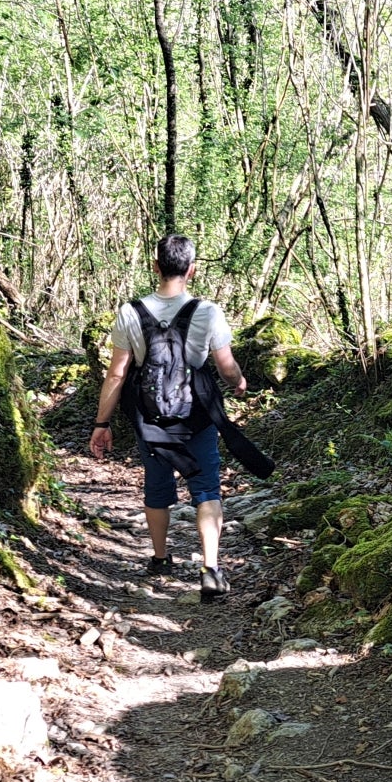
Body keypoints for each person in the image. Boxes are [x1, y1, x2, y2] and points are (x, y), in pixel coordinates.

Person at [88, 236, 249, 600]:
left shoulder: (130, 312)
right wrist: (238, 381)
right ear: (192, 269)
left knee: (157, 485)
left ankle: (160, 558)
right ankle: (211, 569)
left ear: (156, 266)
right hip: (197, 415)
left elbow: (116, 373)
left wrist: (102, 423)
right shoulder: (207, 311)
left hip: (152, 417)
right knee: (206, 487)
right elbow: (225, 367)